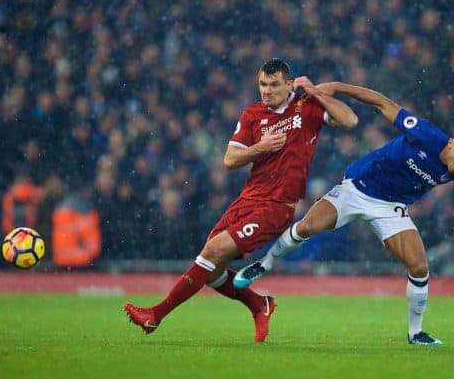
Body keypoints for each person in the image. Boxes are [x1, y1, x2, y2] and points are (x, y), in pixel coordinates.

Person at [233, 81, 454, 346]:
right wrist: (335, 87)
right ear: (452, 142)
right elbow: (381, 102)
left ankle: (416, 334)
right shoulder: (424, 134)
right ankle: (263, 264)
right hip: (356, 189)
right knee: (308, 226)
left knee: (420, 267)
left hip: (390, 208)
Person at [124, 59, 358, 342]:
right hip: (246, 200)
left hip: (276, 207)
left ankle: (155, 315)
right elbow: (229, 159)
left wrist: (317, 91)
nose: (267, 91)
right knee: (211, 270)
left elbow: (349, 120)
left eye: (274, 85)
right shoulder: (252, 115)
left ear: (288, 84)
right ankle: (260, 304)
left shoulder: (306, 106)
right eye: (262, 84)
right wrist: (261, 147)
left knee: (211, 254)